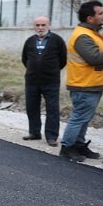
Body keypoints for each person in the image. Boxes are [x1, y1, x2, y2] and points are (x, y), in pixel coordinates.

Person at [60, 1, 103, 162]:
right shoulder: (83, 36)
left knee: (84, 117)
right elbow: (95, 58)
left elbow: (98, 53)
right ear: (90, 18)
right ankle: (67, 147)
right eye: (100, 13)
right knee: (79, 117)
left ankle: (79, 145)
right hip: (84, 85)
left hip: (91, 84)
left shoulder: (93, 33)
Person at [21, 16, 67, 146]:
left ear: (49, 25)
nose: (40, 28)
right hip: (32, 80)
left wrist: (51, 70)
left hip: (51, 81)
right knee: (32, 107)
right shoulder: (29, 41)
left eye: (43, 25)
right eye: (37, 25)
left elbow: (63, 59)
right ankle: (34, 132)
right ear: (34, 26)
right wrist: (34, 68)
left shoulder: (57, 40)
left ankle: (51, 136)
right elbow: (25, 59)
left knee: (52, 109)